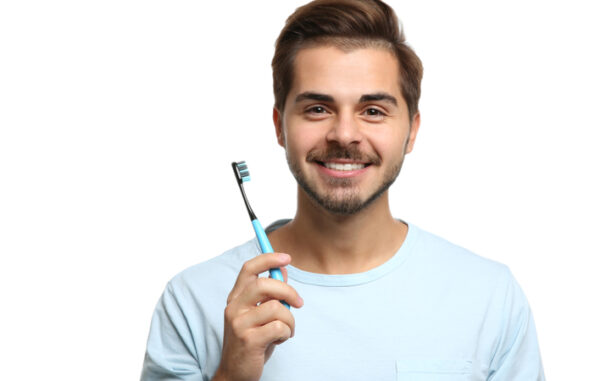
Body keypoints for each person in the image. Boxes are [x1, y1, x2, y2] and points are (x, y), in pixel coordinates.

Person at [141, 0, 545, 380]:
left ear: (412, 130)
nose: (345, 135)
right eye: (318, 108)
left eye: (373, 111)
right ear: (279, 126)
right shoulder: (193, 300)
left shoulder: (490, 296)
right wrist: (230, 375)